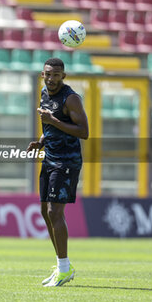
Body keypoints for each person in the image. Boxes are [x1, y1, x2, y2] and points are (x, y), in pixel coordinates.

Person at [27, 58, 88, 287]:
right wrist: (41, 141)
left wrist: (52, 120)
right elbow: (51, 126)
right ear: (43, 74)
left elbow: (84, 131)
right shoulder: (44, 93)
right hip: (50, 157)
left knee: (54, 212)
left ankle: (63, 268)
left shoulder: (71, 98)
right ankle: (63, 265)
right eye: (48, 74)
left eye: (56, 75)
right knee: (45, 211)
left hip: (67, 161)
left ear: (64, 76)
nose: (51, 79)